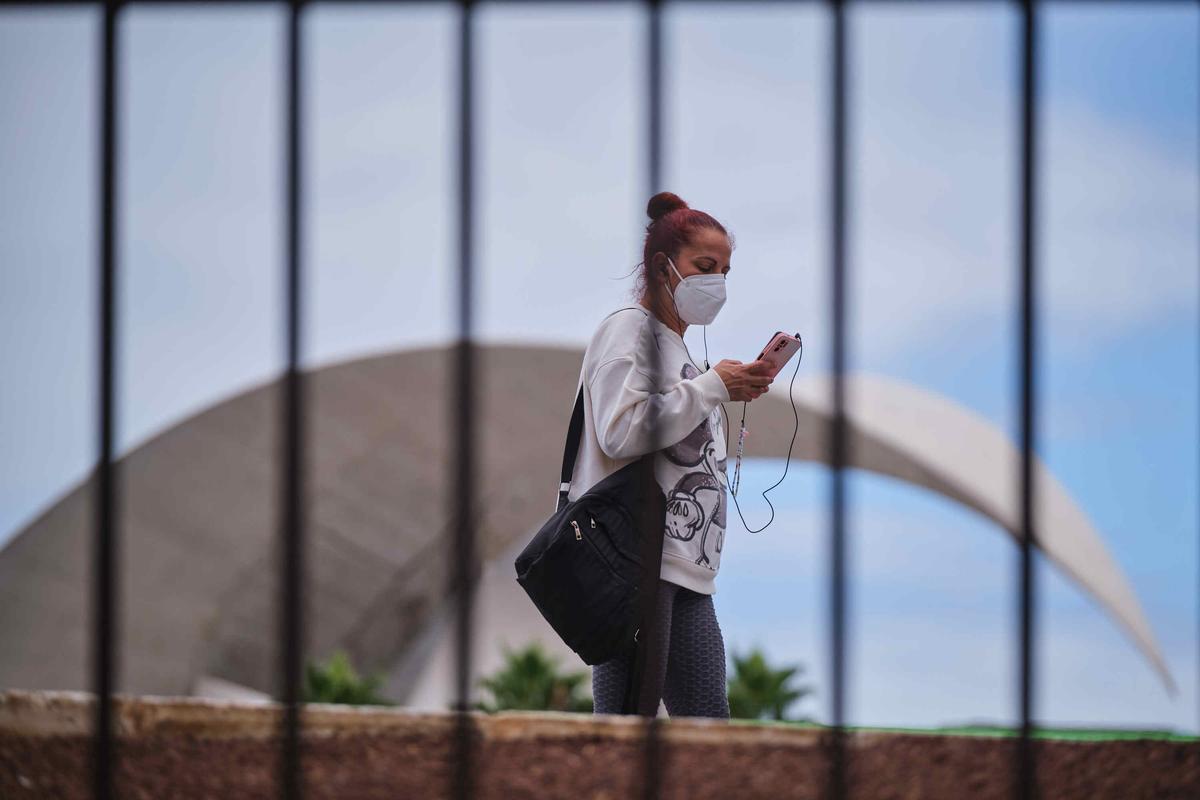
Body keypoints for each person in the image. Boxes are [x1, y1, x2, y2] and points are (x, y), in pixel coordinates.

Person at [566, 191, 775, 718]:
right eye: (705, 267)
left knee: (707, 728)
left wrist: (722, 389)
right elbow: (620, 432)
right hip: (635, 562)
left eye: (726, 270)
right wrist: (710, 388)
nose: (718, 283)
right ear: (663, 267)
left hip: (684, 570)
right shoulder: (629, 331)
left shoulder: (677, 346)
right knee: (623, 729)